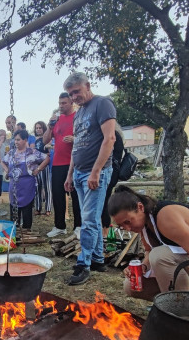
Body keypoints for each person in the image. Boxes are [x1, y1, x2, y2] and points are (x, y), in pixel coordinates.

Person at [108, 186, 189, 301]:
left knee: (160, 256)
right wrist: (143, 266)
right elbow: (149, 251)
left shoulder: (165, 216)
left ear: (140, 207)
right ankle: (175, 305)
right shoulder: (144, 223)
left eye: (128, 222)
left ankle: (184, 313)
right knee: (131, 285)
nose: (127, 229)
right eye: (121, 226)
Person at [62, 72, 116, 286]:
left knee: (89, 219)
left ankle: (83, 265)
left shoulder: (102, 104)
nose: (74, 96)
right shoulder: (79, 113)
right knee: (90, 219)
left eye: (76, 91)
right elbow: (77, 146)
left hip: (96, 172)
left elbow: (109, 138)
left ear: (87, 85)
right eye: (70, 93)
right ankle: (98, 260)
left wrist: (96, 171)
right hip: (79, 172)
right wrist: (69, 174)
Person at [43, 93, 81, 239]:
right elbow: (45, 140)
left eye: (64, 103)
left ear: (71, 103)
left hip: (74, 162)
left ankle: (79, 226)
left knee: (76, 195)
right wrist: (49, 126)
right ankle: (60, 226)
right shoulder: (56, 119)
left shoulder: (78, 117)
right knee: (57, 195)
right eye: (59, 103)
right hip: (57, 163)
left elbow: (86, 137)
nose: (61, 105)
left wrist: (74, 139)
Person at [0, 129, 49, 230]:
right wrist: (8, 171)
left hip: (28, 186)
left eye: (18, 140)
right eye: (15, 140)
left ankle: (27, 229)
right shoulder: (11, 153)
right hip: (14, 186)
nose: (16, 142)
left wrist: (38, 169)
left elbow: (47, 158)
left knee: (27, 208)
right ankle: (14, 229)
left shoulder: (32, 152)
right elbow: (2, 161)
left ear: (25, 140)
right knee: (14, 207)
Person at [101, 129, 126, 235]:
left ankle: (105, 230)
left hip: (109, 172)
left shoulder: (111, 135)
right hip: (112, 172)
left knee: (103, 202)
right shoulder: (117, 135)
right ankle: (105, 229)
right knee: (104, 202)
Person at [33, 121, 52, 217]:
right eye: (37, 128)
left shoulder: (47, 139)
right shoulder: (35, 141)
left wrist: (42, 156)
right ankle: (37, 208)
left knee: (47, 187)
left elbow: (50, 152)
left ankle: (48, 209)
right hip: (37, 166)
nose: (38, 129)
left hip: (46, 166)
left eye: (40, 127)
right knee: (37, 187)